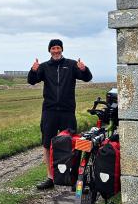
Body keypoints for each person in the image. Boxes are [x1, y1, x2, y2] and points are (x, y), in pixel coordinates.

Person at [28, 39, 93, 189]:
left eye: (58, 48)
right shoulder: (44, 67)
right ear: (49, 50)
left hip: (67, 111)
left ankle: (74, 178)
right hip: (49, 111)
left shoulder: (70, 65)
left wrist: (84, 69)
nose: (56, 51)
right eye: (53, 48)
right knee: (47, 144)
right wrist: (33, 70)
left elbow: (87, 78)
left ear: (62, 49)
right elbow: (32, 81)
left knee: (72, 143)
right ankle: (50, 178)